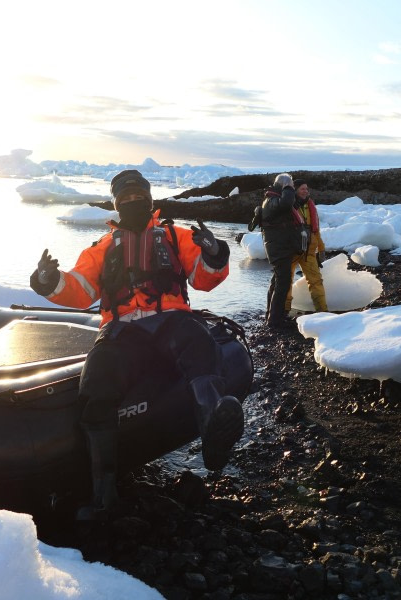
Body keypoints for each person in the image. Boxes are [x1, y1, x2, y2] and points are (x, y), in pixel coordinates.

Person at [29, 169, 244, 520]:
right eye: (124, 199)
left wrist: (216, 254)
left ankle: (214, 433)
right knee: (96, 384)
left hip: (171, 320)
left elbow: (204, 279)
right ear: (116, 204)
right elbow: (80, 290)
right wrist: (49, 281)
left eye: (137, 197)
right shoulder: (100, 249)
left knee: (199, 343)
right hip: (121, 331)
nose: (132, 203)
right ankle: (104, 497)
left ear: (149, 200)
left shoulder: (175, 236)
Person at [260, 173, 306, 327]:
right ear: (284, 185)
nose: (292, 188)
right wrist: (287, 187)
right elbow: (286, 203)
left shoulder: (275, 200)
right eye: (290, 185)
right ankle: (274, 320)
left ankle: (272, 315)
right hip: (278, 248)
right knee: (283, 283)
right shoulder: (272, 200)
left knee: (278, 281)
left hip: (281, 247)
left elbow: (290, 204)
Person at [286, 179, 327, 313]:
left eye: (306, 189)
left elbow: (316, 230)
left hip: (308, 251)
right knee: (286, 282)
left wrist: (321, 249)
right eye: (302, 188)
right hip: (291, 251)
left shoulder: (311, 206)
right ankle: (284, 312)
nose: (306, 191)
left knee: (316, 281)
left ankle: (322, 312)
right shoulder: (287, 205)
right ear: (295, 190)